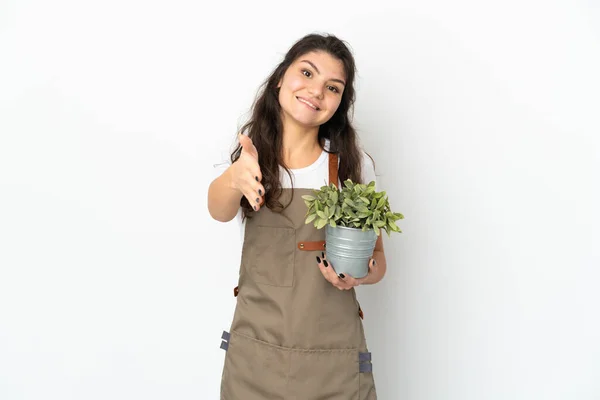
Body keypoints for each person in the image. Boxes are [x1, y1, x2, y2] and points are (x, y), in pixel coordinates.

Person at [208, 33, 386, 400]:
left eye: (332, 87)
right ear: (280, 78)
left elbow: (379, 261)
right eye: (306, 73)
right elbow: (218, 209)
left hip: (333, 366)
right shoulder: (252, 161)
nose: (316, 91)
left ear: (340, 102)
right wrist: (234, 177)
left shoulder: (350, 169)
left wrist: (360, 275)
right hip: (254, 363)